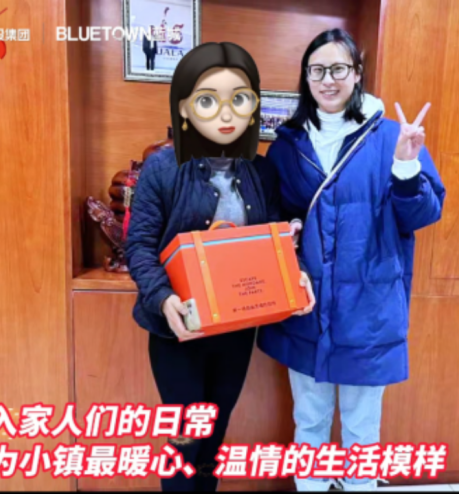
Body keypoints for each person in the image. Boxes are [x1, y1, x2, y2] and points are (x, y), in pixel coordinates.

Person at [258, 28, 445, 491]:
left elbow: (422, 214)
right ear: (306, 78)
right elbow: (274, 214)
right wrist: (289, 227)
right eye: (317, 70)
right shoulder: (287, 146)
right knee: (310, 421)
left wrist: (406, 166)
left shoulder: (391, 137)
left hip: (369, 311)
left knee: (362, 431)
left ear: (357, 74)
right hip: (305, 305)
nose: (328, 80)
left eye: (339, 68)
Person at [125, 41, 314, 492]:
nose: (226, 113)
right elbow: (139, 245)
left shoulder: (261, 171)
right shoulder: (162, 168)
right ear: (185, 107)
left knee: (214, 437)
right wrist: (162, 298)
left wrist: (296, 271)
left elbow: (274, 241)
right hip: (179, 329)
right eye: (209, 100)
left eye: (239, 99)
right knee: (185, 441)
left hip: (236, 327)